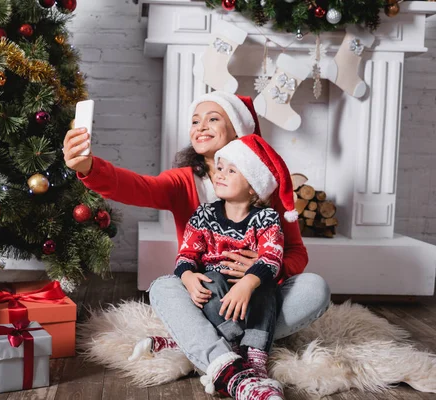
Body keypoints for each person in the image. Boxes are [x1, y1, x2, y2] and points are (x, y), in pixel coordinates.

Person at [63, 91, 331, 389]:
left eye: (213, 118)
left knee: (315, 287)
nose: (200, 126)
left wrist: (263, 270)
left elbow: (296, 253)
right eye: (194, 120)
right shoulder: (183, 181)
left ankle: (195, 345)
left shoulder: (264, 185)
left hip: (257, 298)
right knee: (163, 287)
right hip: (204, 295)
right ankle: (235, 360)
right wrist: (88, 168)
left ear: (238, 130)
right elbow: (137, 187)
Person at [174, 134, 297, 398]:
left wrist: (248, 283)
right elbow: (186, 253)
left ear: (252, 186)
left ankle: (254, 356)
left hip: (250, 293)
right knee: (211, 280)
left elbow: (272, 256)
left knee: (266, 286)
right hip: (217, 295)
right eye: (220, 168)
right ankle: (231, 346)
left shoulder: (266, 218)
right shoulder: (204, 215)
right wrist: (187, 277)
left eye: (231, 170)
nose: (220, 174)